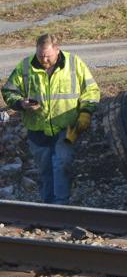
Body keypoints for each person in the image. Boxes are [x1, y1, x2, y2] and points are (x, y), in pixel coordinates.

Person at [2, 34, 100, 204]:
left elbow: (91, 90)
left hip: (68, 128)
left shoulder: (74, 63)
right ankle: (48, 206)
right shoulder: (25, 66)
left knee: (62, 164)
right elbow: (9, 91)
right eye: (40, 56)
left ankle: (60, 205)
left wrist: (86, 112)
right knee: (45, 170)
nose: (44, 60)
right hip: (38, 131)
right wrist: (21, 103)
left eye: (48, 56)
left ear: (57, 50)